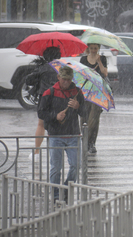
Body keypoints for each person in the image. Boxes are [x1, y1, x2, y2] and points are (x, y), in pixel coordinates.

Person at [38, 66, 86, 202]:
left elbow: (84, 113)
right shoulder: (49, 92)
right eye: (64, 79)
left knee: (76, 166)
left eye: (69, 80)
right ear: (58, 78)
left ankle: (65, 189)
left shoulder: (77, 92)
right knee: (56, 168)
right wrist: (55, 116)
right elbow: (41, 112)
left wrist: (78, 106)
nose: (66, 82)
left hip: (73, 135)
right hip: (55, 136)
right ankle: (55, 196)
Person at [25, 47, 61, 161]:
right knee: (56, 124)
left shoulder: (42, 68)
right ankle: (55, 152)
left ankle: (36, 152)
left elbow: (28, 80)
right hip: (58, 98)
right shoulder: (62, 68)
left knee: (41, 124)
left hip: (44, 98)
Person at [80, 43, 107, 153]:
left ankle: (91, 143)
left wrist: (99, 62)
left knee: (94, 118)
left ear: (99, 48)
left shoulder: (102, 58)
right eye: (91, 48)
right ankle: (84, 140)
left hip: (98, 91)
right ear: (88, 48)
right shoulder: (83, 59)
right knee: (84, 117)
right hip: (86, 90)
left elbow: (105, 74)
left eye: (96, 48)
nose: (93, 50)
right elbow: (81, 74)